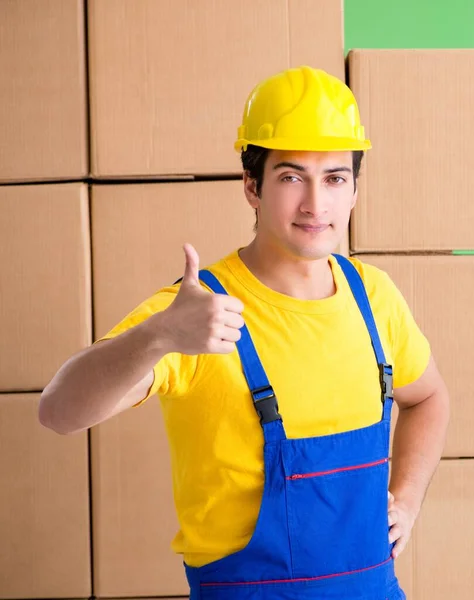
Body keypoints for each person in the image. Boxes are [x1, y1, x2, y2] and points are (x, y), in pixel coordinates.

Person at [39, 66, 450, 599]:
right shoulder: (194, 313)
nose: (315, 204)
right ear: (251, 186)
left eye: (335, 178)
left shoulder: (373, 298)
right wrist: (157, 336)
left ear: (353, 189)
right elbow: (58, 411)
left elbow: (429, 397)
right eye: (291, 176)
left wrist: (408, 497)